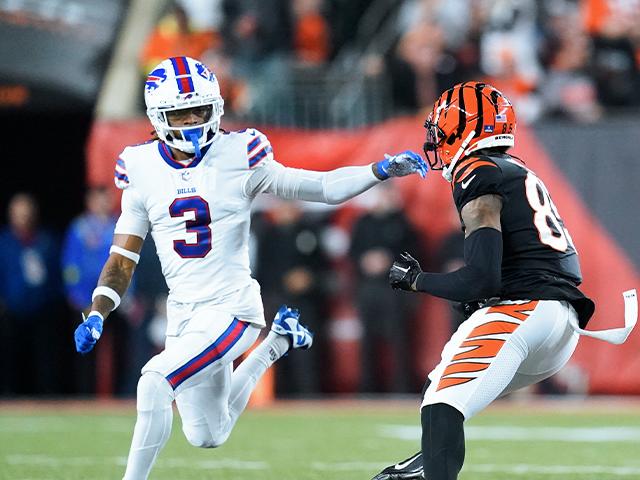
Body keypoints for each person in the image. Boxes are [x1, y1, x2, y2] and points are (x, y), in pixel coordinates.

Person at [72, 55, 427, 480]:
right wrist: (98, 311)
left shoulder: (240, 152)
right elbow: (123, 255)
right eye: (182, 112)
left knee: (153, 381)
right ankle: (277, 342)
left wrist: (379, 170)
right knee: (207, 434)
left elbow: (320, 187)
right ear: (158, 117)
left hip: (230, 309)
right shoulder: (141, 167)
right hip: (183, 313)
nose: (194, 120)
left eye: (201, 109)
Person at [371, 81, 636, 480]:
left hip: (523, 312)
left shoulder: (477, 173)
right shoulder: (516, 169)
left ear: (464, 129)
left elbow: (479, 280)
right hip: (561, 327)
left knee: (441, 405)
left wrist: (416, 280)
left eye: (441, 128)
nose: (436, 139)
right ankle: (423, 466)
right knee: (439, 387)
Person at [0, 193, 64, 395]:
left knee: (45, 358)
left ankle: (47, 396)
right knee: (10, 357)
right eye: (19, 214)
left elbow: (57, 274)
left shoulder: (46, 240)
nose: (23, 218)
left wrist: (54, 300)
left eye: (27, 213)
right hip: (11, 309)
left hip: (42, 309)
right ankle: (8, 396)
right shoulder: (4, 242)